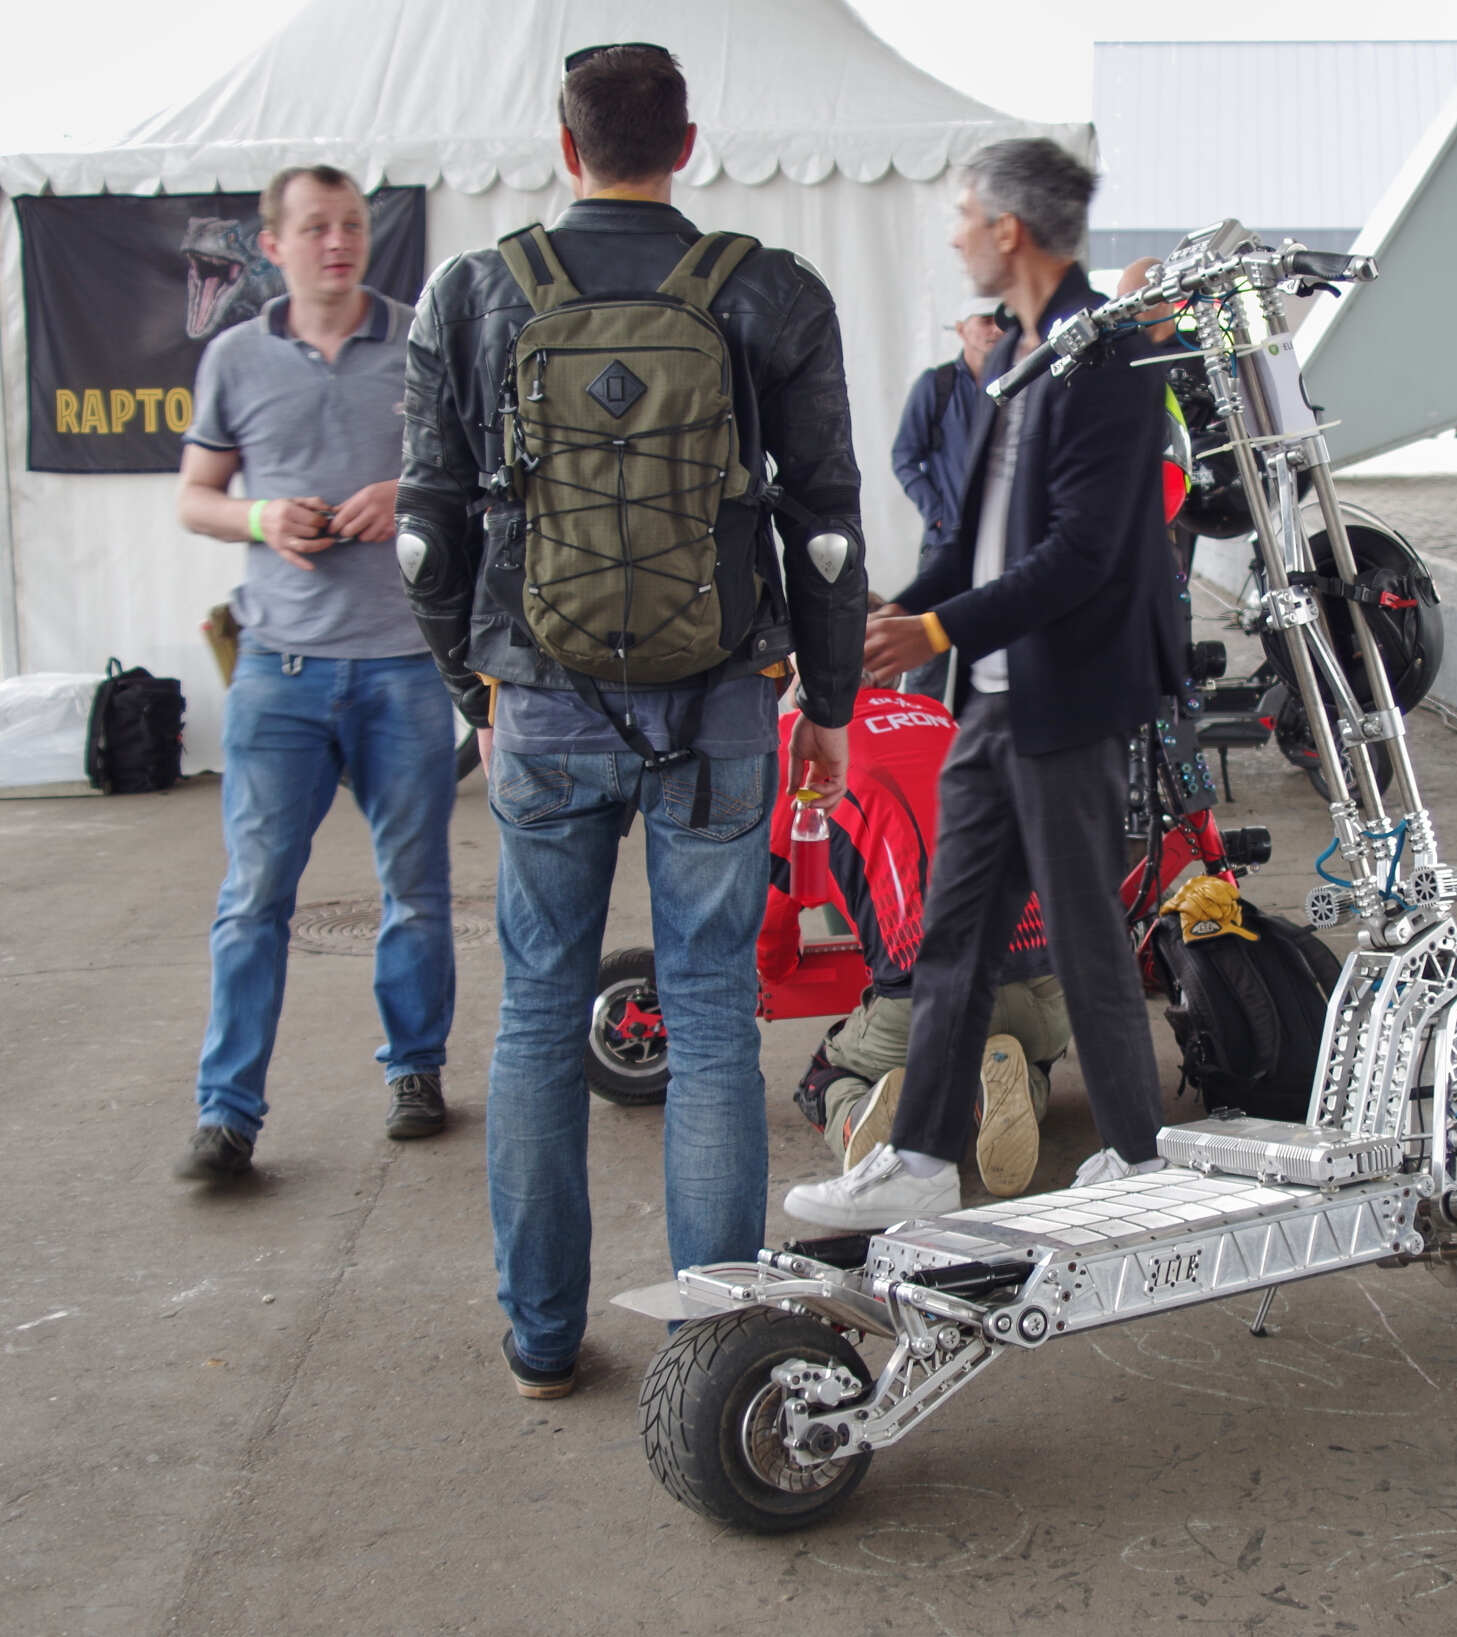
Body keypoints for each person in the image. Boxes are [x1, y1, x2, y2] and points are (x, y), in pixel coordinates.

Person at [397, 43, 865, 1399]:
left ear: (566, 146)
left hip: (540, 701)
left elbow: (427, 534)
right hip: (721, 701)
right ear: (687, 145)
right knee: (712, 1012)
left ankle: (544, 1340)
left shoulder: (474, 291)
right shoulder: (772, 290)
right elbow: (824, 526)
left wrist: (475, 689)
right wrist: (830, 702)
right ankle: (713, 1351)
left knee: (539, 1013)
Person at [784, 138, 1184, 1231]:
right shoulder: (1015, 354)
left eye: (965, 214)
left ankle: (1139, 1156)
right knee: (950, 937)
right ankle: (919, 1156)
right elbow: (973, 543)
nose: (956, 233)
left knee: (1087, 937)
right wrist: (891, 616)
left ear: (1009, 230)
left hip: (1070, 701)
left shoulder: (1106, 356)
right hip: (994, 704)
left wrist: (932, 628)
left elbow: (1080, 555)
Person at [172, 164, 456, 1185]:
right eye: (316, 227)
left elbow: (476, 481)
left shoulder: (423, 341)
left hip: (403, 666)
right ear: (273, 245)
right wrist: (261, 516)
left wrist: (405, 491)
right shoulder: (235, 357)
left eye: (352, 225)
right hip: (278, 673)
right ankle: (226, 1114)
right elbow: (196, 497)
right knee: (253, 897)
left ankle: (416, 1070)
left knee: (416, 890)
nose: (338, 242)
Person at [762, 681, 1069, 1196]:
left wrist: (774, 969)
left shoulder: (794, 739)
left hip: (923, 994)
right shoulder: (934, 714)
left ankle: (862, 1113)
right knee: (1031, 1056)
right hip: (1048, 983)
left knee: (824, 1077)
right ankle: (1007, 1085)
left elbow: (774, 898)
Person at [891, 297, 1002, 700]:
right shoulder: (936, 386)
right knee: (925, 662)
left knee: (990, 659)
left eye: (1000, 320)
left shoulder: (1017, 383)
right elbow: (905, 457)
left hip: (997, 549)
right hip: (943, 546)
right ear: (960, 329)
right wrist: (936, 512)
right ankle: (921, 729)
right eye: (985, 320)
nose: (995, 329)